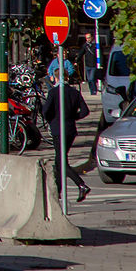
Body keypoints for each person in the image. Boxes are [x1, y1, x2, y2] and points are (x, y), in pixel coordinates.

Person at [40, 67, 90, 202]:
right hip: (70, 129)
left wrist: (52, 120)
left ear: (55, 78)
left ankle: (81, 184)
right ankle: (58, 191)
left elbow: (45, 111)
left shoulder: (54, 92)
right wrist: (74, 117)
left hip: (58, 129)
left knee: (61, 161)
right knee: (59, 160)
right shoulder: (74, 92)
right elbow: (85, 111)